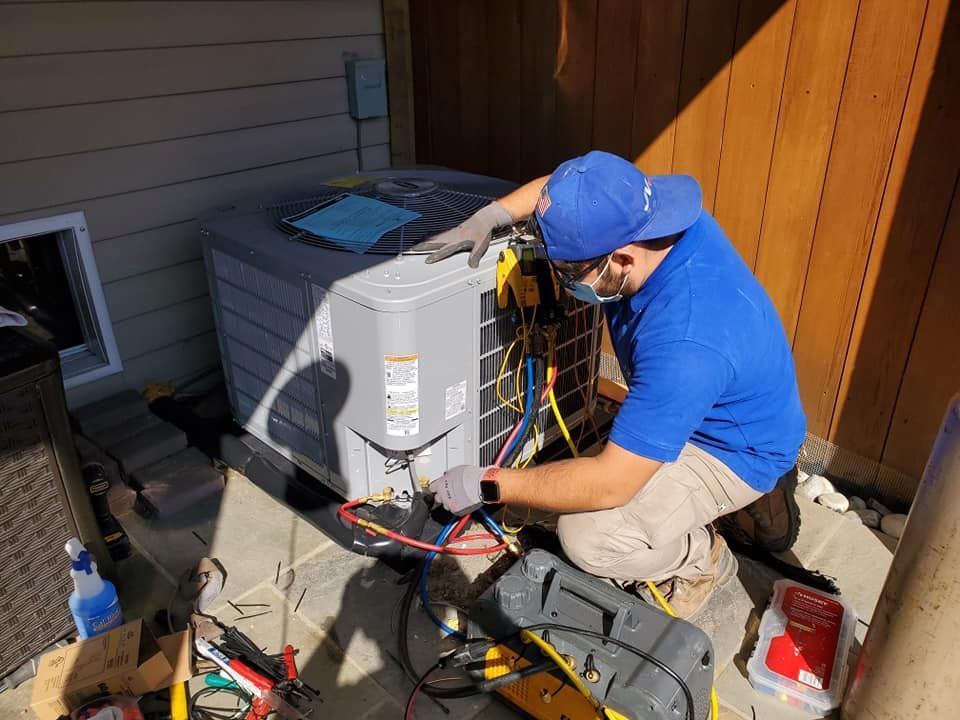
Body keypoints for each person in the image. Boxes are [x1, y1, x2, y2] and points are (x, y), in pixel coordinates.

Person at [419, 151, 806, 619]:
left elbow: (609, 484)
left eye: (568, 272)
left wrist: (488, 482)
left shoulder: (686, 339)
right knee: (583, 482)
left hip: (732, 445)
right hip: (712, 399)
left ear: (621, 257)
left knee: (589, 538)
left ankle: (702, 560)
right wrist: (489, 216)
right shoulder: (647, 215)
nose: (561, 281)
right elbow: (560, 192)